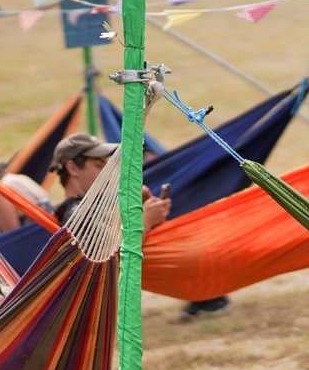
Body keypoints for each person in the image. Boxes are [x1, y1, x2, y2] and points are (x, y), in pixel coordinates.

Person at [50, 133, 228, 317]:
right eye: (98, 165)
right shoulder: (76, 214)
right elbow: (107, 261)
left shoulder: (98, 207)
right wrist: (146, 220)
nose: (107, 171)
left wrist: (149, 216)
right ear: (72, 168)